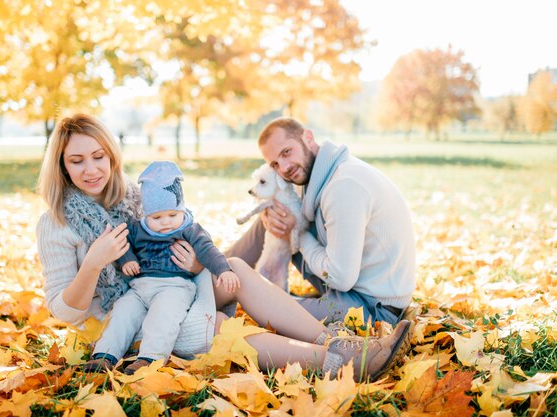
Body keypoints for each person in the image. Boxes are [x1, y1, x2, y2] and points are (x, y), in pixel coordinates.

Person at [36, 113, 412, 382]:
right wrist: (94, 263)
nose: (91, 170)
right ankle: (337, 363)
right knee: (217, 326)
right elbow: (64, 311)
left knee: (232, 268)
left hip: (174, 286)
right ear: (62, 167)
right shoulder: (56, 224)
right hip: (127, 320)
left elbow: (183, 243)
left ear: (112, 156)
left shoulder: (138, 199)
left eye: (98, 156)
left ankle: (336, 342)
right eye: (77, 160)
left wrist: (199, 264)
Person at [227, 117, 416, 325]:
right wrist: (276, 220)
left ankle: (221, 285)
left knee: (264, 307)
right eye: (275, 164)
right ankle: (214, 271)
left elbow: (341, 278)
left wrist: (295, 231)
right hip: (350, 290)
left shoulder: (344, 186)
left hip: (373, 309)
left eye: (287, 152)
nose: (284, 168)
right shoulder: (315, 174)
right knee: (276, 215)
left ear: (308, 137)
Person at [87, 160, 240, 374]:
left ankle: (149, 359)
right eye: (157, 217)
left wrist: (223, 270)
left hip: (175, 287)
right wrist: (127, 260)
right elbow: (123, 243)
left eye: (172, 215)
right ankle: (104, 356)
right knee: (123, 312)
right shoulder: (138, 229)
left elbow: (208, 250)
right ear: (146, 214)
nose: (166, 222)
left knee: (163, 315)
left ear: (181, 210)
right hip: (140, 288)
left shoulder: (189, 230)